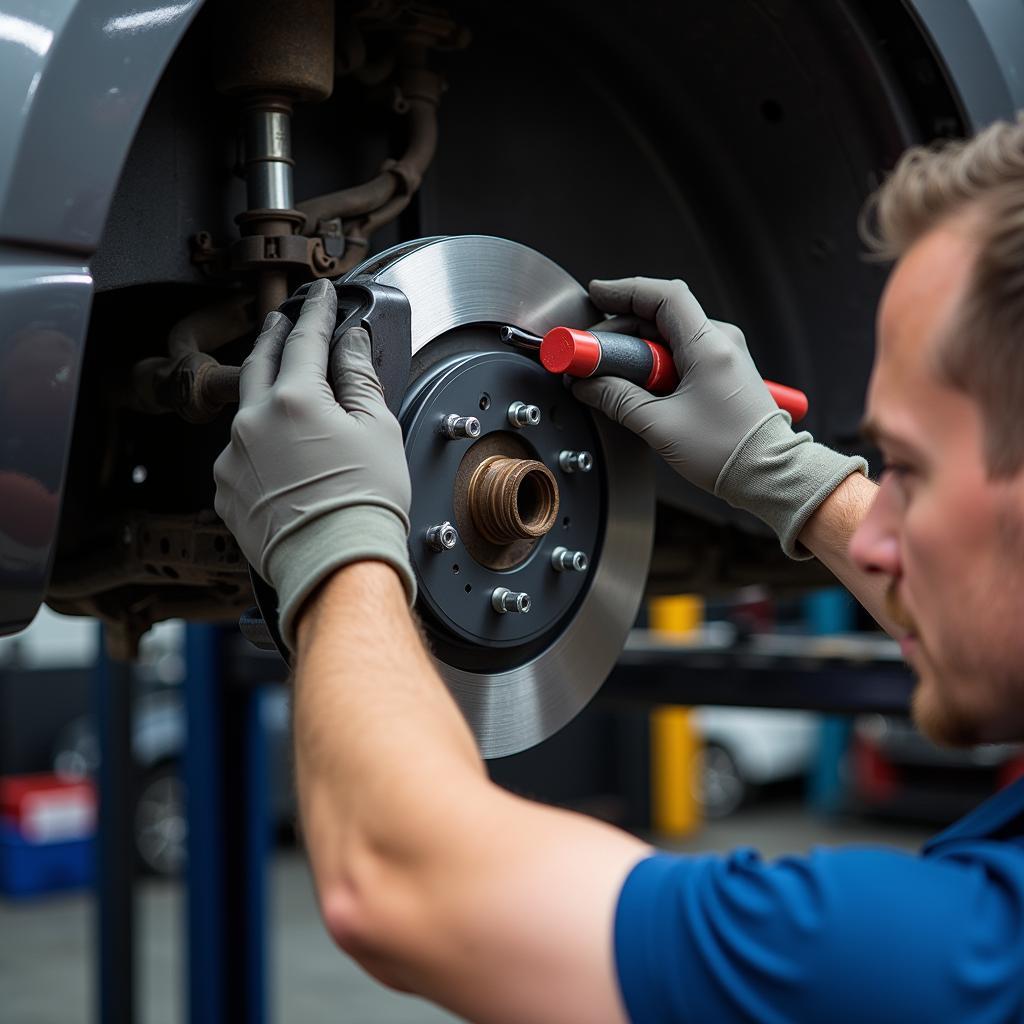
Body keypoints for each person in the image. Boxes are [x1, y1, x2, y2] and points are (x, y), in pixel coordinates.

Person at [213, 114, 1024, 1022]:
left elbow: (403, 883)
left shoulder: (958, 955)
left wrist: (332, 537)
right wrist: (789, 474)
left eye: (906, 472)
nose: (878, 541)